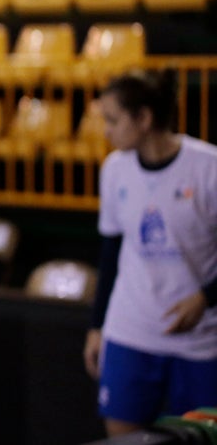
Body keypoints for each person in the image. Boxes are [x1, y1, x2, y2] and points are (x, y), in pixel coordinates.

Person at [83, 68, 217, 437]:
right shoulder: (114, 170)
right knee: (123, 439)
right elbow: (110, 252)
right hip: (131, 331)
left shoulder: (208, 168)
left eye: (113, 120)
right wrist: (98, 327)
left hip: (200, 341)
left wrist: (206, 298)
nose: (106, 131)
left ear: (143, 118)